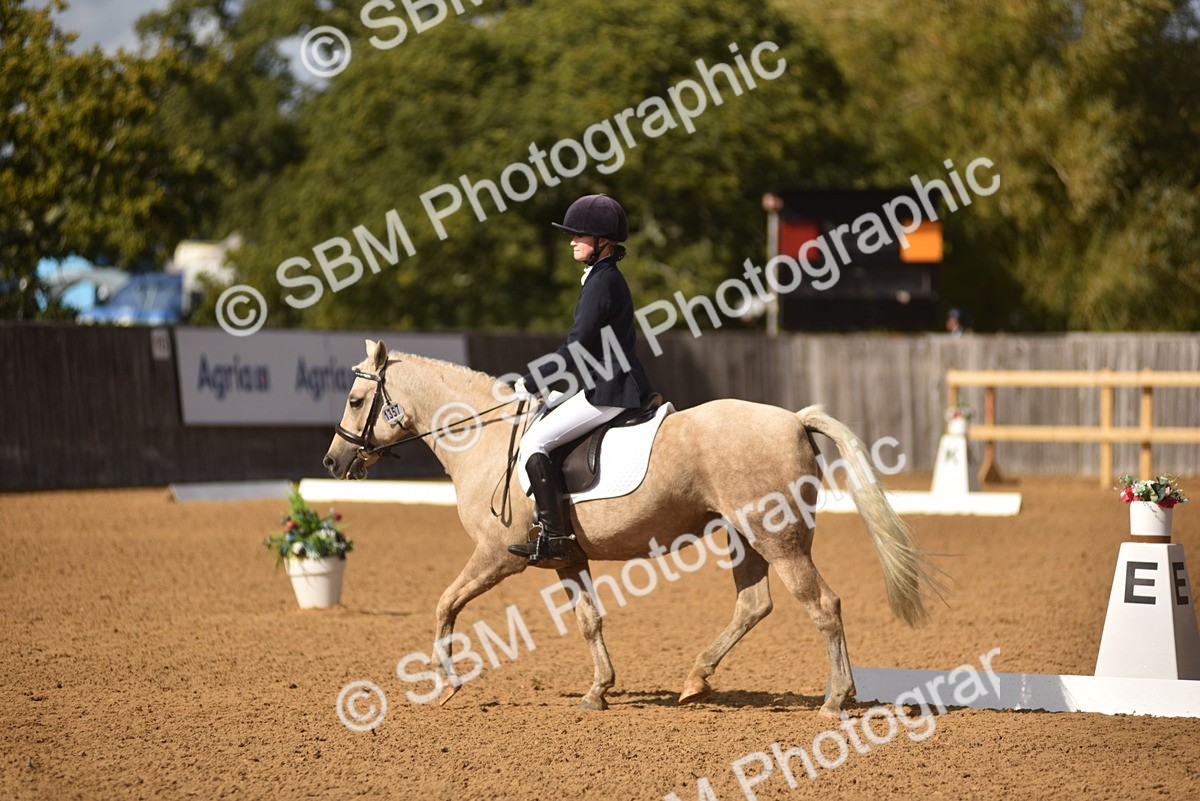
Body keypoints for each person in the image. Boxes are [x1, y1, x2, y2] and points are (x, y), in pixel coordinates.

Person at [507, 194, 656, 566]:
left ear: (603, 241)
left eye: (579, 234)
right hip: (608, 381)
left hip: (610, 390)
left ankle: (554, 537)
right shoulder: (602, 277)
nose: (571, 240)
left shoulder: (602, 282)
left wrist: (533, 380)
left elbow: (576, 345)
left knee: (535, 441)